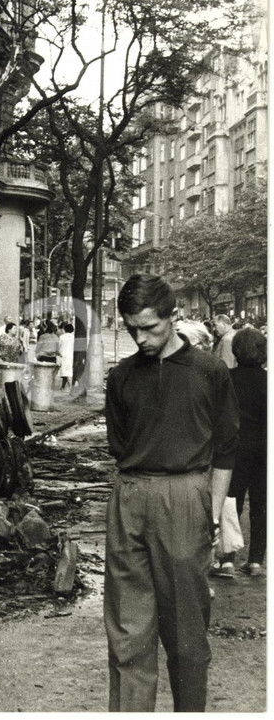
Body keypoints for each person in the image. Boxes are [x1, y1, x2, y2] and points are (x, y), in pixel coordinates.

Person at [104, 273, 239, 712]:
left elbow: (226, 448)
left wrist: (212, 512)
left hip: (186, 496)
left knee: (185, 632)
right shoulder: (121, 376)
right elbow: (120, 444)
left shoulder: (210, 371)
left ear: (173, 317)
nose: (141, 338)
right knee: (128, 633)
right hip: (129, 495)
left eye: (151, 328)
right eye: (132, 329)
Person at [213, 327, 267, 577]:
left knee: (230, 502)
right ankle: (256, 560)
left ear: (235, 351)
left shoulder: (227, 379)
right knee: (261, 505)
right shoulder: (268, 381)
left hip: (233, 450)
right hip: (265, 451)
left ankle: (227, 560)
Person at [57, 322, 75, 389]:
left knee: (64, 371)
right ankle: (69, 385)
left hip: (63, 355)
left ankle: (65, 386)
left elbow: (58, 346)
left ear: (65, 329)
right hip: (71, 355)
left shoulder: (62, 337)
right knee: (69, 371)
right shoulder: (74, 337)